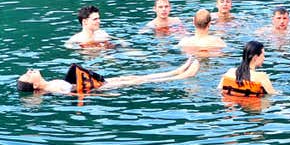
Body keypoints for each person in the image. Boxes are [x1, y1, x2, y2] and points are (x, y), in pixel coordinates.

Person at [16, 57, 199, 94]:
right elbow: (77, 92)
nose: (29, 71)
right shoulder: (53, 89)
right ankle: (182, 76)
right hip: (101, 88)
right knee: (138, 80)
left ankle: (176, 70)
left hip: (101, 83)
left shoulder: (50, 84)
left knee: (134, 76)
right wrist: (106, 94)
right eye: (27, 75)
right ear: (34, 86)